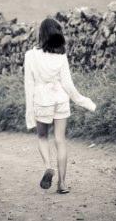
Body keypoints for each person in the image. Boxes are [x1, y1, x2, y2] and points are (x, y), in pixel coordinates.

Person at [24, 18, 96, 194]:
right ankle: (62, 183)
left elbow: (29, 85)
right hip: (61, 99)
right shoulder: (61, 56)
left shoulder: (30, 55)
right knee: (60, 140)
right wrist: (83, 101)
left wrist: (29, 111)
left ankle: (49, 167)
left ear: (41, 34)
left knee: (42, 137)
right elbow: (68, 84)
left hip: (42, 100)